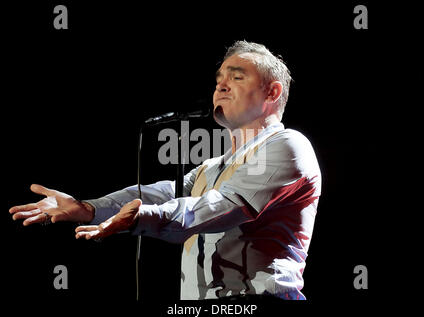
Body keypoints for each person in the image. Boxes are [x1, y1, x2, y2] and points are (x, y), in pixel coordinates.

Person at [9, 41, 321, 300]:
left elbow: (217, 207)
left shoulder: (289, 145)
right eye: (218, 80)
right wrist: (87, 208)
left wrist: (140, 218)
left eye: (236, 77)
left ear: (272, 93)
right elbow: (162, 193)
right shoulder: (211, 167)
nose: (221, 85)